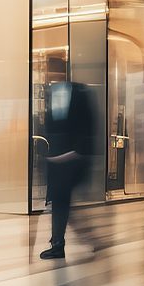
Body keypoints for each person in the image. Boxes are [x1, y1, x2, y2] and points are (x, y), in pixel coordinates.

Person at [39, 80, 97, 260]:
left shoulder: (80, 92)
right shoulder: (51, 94)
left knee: (63, 203)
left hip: (73, 159)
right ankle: (59, 243)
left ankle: (78, 239)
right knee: (60, 203)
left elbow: (90, 125)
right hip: (56, 159)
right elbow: (50, 127)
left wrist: (80, 154)